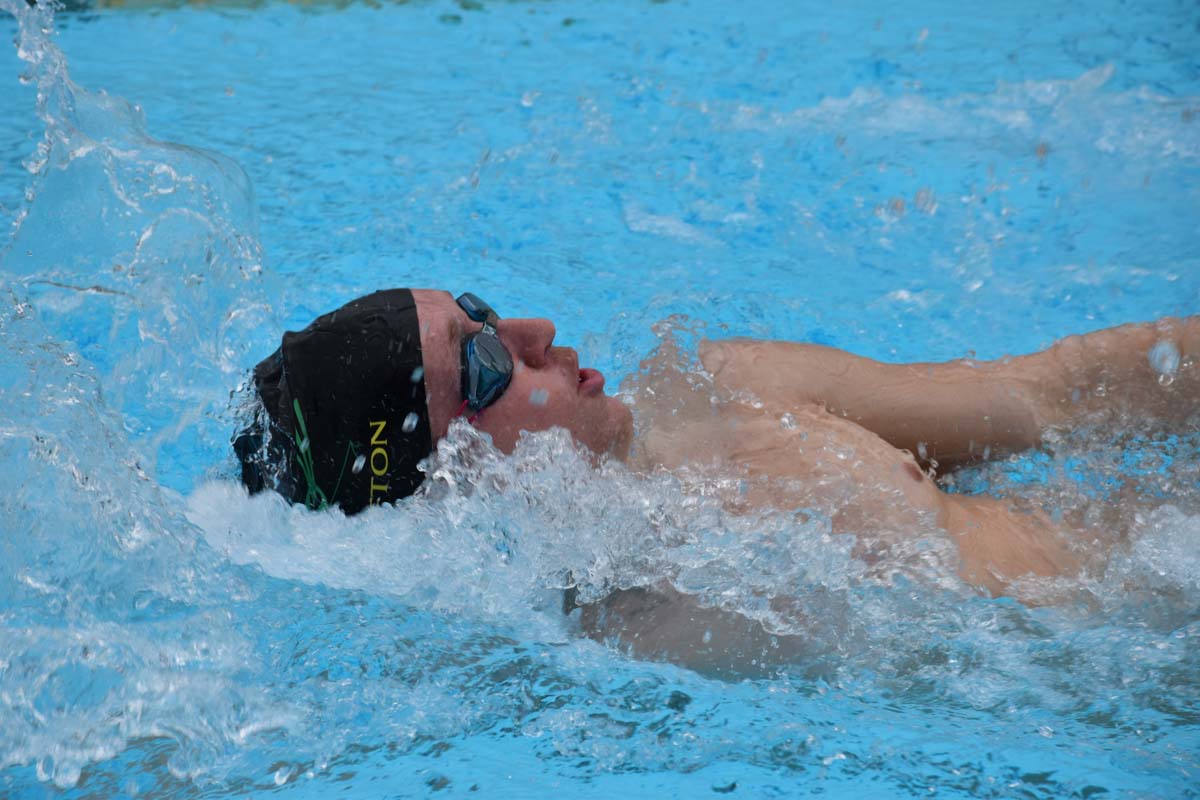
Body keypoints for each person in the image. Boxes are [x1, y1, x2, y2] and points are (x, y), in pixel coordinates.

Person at [234, 288, 1197, 670]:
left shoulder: (721, 391)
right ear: (448, 484)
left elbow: (1053, 394)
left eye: (482, 308)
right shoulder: (619, 643)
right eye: (483, 363)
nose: (535, 336)